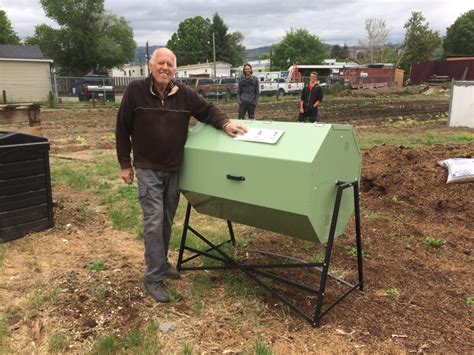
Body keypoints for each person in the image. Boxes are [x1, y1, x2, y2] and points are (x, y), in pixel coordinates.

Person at [115, 48, 247, 303]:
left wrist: (226, 124)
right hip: (147, 167)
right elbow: (122, 128)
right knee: (153, 221)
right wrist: (124, 164)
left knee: (165, 220)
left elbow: (207, 110)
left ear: (175, 69)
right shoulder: (135, 91)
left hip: (173, 168)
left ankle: (161, 264)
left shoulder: (184, 94)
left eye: (169, 64)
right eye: (160, 63)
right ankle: (153, 277)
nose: (165, 68)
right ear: (150, 66)